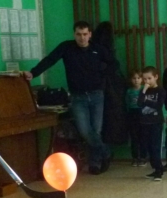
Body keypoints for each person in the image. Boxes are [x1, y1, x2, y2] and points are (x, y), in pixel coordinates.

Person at [22, 21, 113, 175]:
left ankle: (95, 163)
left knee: (96, 131)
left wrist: (100, 75)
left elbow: (113, 64)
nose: (82, 38)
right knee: (85, 131)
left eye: (85, 34)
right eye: (78, 34)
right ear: (74, 34)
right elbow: (50, 60)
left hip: (97, 95)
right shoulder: (67, 47)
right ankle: (106, 152)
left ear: (90, 34)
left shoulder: (98, 49)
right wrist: (34, 73)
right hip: (78, 97)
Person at [92, 21, 128, 148]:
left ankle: (101, 153)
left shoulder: (93, 49)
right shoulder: (109, 55)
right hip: (111, 88)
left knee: (96, 125)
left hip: (96, 88)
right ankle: (105, 151)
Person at [139, 66, 166, 181]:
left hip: (156, 122)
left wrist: (146, 100)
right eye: (144, 79)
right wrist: (144, 91)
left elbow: (158, 105)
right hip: (145, 122)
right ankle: (155, 169)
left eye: (149, 78)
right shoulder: (144, 91)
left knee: (156, 147)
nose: (147, 81)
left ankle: (159, 171)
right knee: (149, 147)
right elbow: (140, 103)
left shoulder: (160, 90)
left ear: (156, 77)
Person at [125, 69, 147, 166]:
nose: (136, 80)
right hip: (132, 114)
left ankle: (143, 157)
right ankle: (135, 157)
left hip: (142, 113)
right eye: (134, 78)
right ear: (130, 79)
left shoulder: (144, 89)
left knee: (143, 136)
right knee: (134, 137)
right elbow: (126, 103)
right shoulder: (129, 91)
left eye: (138, 78)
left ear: (142, 79)